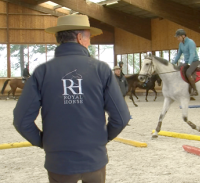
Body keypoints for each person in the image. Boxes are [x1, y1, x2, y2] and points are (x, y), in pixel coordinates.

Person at [13, 15, 130, 183]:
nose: (89, 42)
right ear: (80, 37)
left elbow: (21, 120)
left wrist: (45, 142)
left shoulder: (42, 72)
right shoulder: (101, 70)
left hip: (59, 162)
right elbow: (121, 117)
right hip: (94, 160)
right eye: (88, 37)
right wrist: (101, 140)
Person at [172, 29, 200, 96]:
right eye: (177, 37)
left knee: (188, 73)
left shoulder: (191, 42)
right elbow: (178, 54)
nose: (178, 39)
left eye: (178, 37)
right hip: (186, 62)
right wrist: (173, 63)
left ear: (183, 36)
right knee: (178, 70)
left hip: (194, 61)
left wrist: (189, 63)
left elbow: (192, 54)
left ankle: (195, 90)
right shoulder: (181, 44)